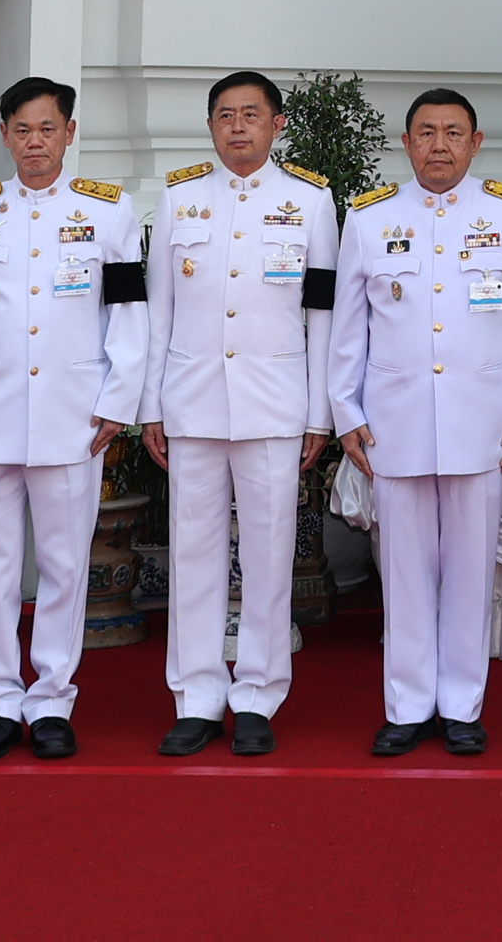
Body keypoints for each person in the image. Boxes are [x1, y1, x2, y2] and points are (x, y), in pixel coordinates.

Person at [0, 75, 145, 763]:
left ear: (69, 133)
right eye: (22, 130)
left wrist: (117, 401)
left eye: (48, 128)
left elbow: (129, 315)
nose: (36, 142)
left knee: (63, 563)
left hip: (72, 417)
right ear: (4, 136)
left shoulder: (109, 213)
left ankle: (51, 698)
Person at [332, 87, 502, 759]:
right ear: (406, 144)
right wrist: (346, 412)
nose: (438, 145)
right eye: (425, 132)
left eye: (452, 133)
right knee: (401, 570)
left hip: (483, 423)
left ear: (474, 143)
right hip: (392, 423)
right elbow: (348, 329)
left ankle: (460, 704)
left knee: (468, 569)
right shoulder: (369, 219)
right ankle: (405, 705)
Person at [142, 68, 338, 757]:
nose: (237, 127)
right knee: (192, 554)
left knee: (268, 553)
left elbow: (322, 317)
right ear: (210, 125)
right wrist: (151, 405)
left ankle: (257, 693)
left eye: (251, 114)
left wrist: (319, 414)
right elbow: (158, 311)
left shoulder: (311, 202)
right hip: (192, 404)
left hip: (274, 406)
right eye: (224, 115)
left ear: (277, 124)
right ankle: (195, 696)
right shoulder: (180, 199)